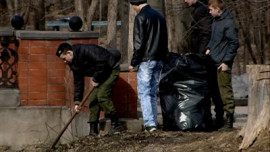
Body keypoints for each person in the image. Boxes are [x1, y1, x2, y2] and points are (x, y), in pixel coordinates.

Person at [56, 43, 124, 135]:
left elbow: (102, 61)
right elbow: (78, 82)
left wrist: (95, 78)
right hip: (101, 74)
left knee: (102, 96)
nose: (64, 62)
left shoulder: (86, 50)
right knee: (93, 100)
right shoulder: (73, 63)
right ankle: (93, 130)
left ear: (69, 53)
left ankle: (116, 124)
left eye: (64, 58)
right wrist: (77, 102)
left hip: (111, 69)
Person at [128, 0, 168, 133]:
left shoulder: (140, 17)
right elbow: (164, 39)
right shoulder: (160, 16)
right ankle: (154, 122)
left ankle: (150, 124)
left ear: (135, 4)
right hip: (159, 58)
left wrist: (134, 62)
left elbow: (139, 43)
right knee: (152, 92)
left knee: (144, 92)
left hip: (146, 59)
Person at [185, 0, 223, 131]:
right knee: (211, 87)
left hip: (206, 57)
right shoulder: (202, 8)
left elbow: (205, 33)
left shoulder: (202, 10)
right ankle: (213, 117)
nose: (185, 1)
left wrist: (201, 55)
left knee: (211, 87)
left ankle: (215, 118)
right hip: (206, 55)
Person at [206, 0, 239, 129]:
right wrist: (209, 48)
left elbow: (234, 43)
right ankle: (219, 118)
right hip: (213, 61)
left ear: (217, 8)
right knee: (215, 92)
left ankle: (229, 120)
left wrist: (226, 62)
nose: (209, 12)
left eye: (211, 10)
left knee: (225, 92)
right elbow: (214, 39)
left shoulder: (228, 23)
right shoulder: (216, 22)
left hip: (222, 62)